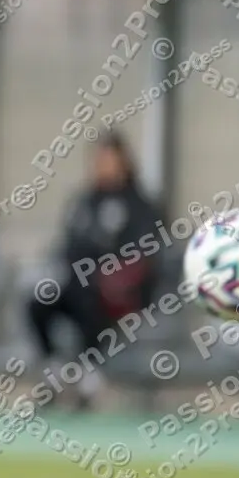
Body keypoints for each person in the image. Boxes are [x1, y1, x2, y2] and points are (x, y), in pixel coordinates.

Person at [26, 130, 161, 411]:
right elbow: (67, 244)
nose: (103, 165)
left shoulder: (139, 205)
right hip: (76, 285)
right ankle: (56, 373)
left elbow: (146, 253)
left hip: (121, 294)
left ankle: (89, 378)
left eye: (109, 159)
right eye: (98, 159)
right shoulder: (84, 201)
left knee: (89, 294)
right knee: (38, 302)